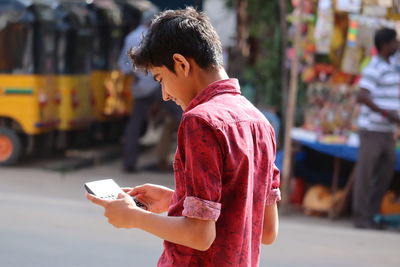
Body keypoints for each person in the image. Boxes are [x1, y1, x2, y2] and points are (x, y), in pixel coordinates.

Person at [87, 7, 280, 266]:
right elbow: (266, 231)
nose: (165, 94)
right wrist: (178, 199)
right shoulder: (259, 121)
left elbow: (199, 236)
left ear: (181, 64)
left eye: (161, 79)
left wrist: (133, 217)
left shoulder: (200, 120)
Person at [118, 8, 181, 172]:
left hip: (139, 87)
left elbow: (123, 66)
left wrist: (137, 76)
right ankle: (190, 161)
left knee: (135, 124)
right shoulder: (157, 37)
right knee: (183, 116)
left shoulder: (130, 37)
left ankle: (128, 163)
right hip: (159, 84)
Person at [353, 27, 400, 229]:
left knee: (384, 174)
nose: (397, 45)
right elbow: (362, 95)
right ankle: (361, 217)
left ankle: (372, 216)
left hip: (387, 131)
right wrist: (386, 113)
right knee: (366, 175)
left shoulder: (391, 66)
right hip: (372, 129)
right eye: (395, 41)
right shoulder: (374, 67)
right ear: (385, 45)